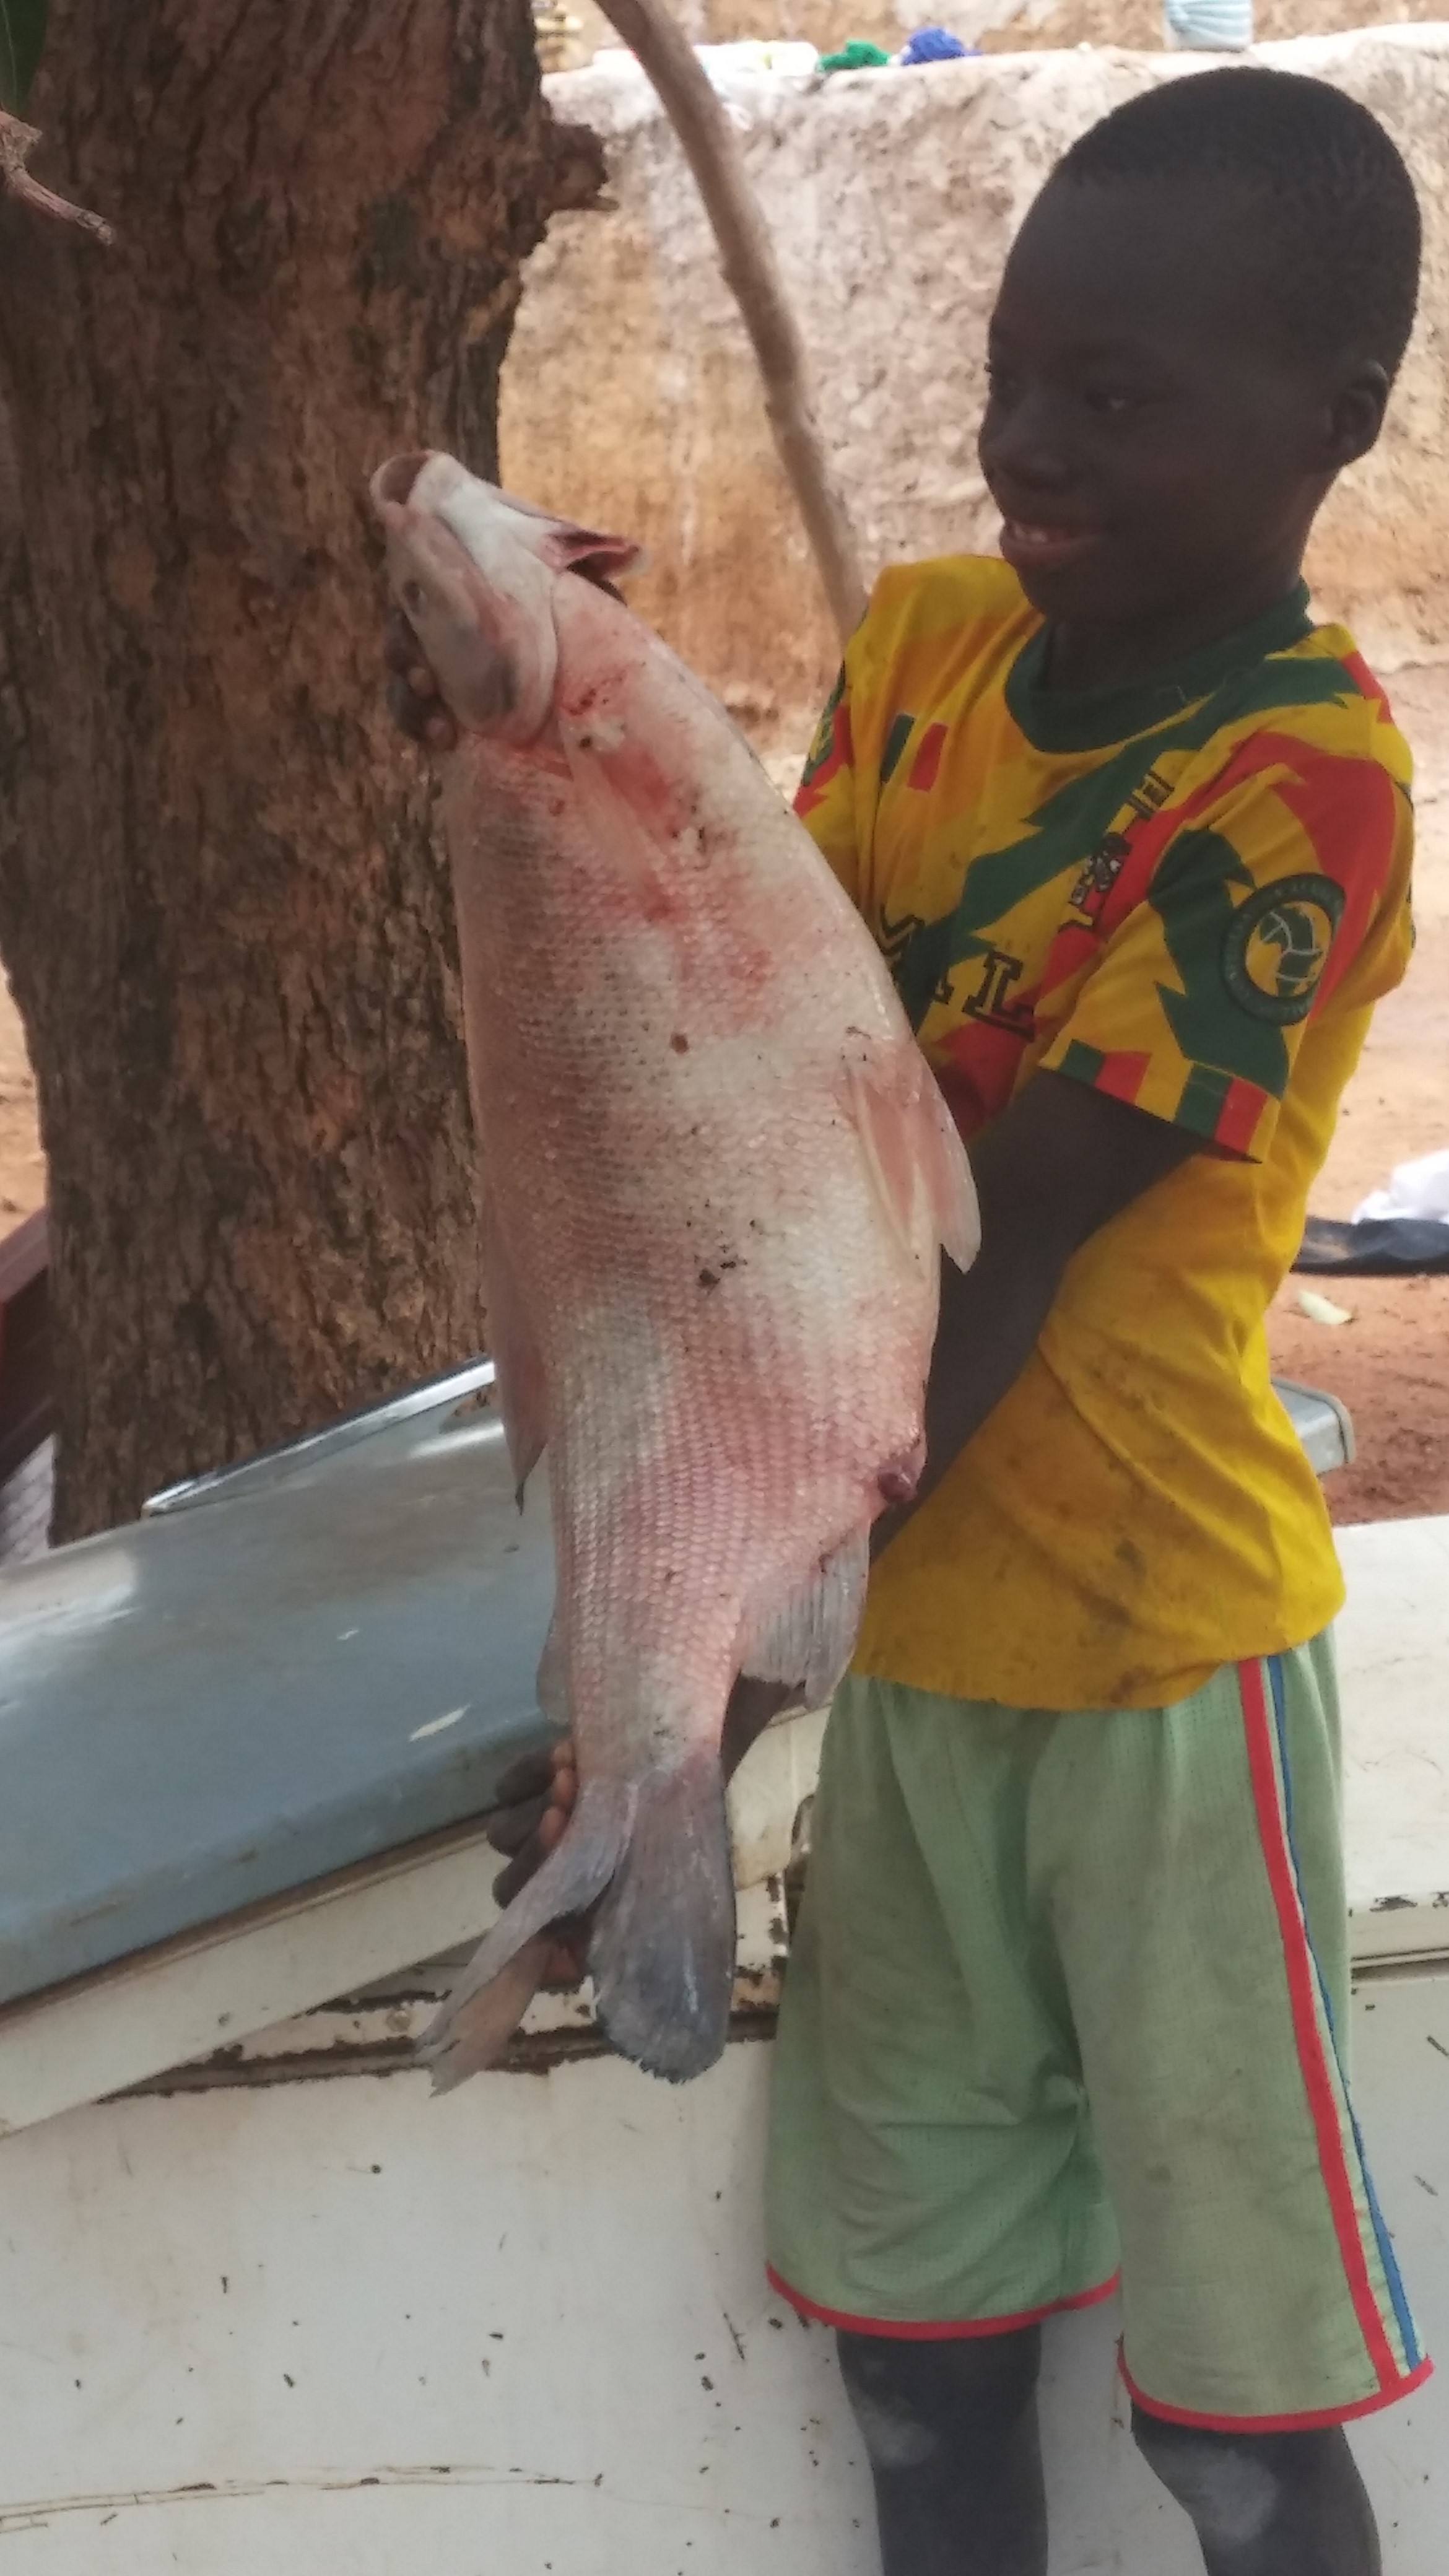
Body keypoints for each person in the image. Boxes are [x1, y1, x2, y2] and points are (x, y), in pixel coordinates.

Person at [386, 67, 1427, 2575]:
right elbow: (763, 1049)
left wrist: (699, 1694)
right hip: (926, 1666)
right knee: (921, 2357)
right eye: (1009, 375)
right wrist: (567, 774)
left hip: (1156, 1676)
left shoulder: (1303, 780)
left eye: (1113, 395)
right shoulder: (940, 647)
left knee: (1233, 2407)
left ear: (1333, 425)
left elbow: (999, 1250)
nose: (1023, 445)